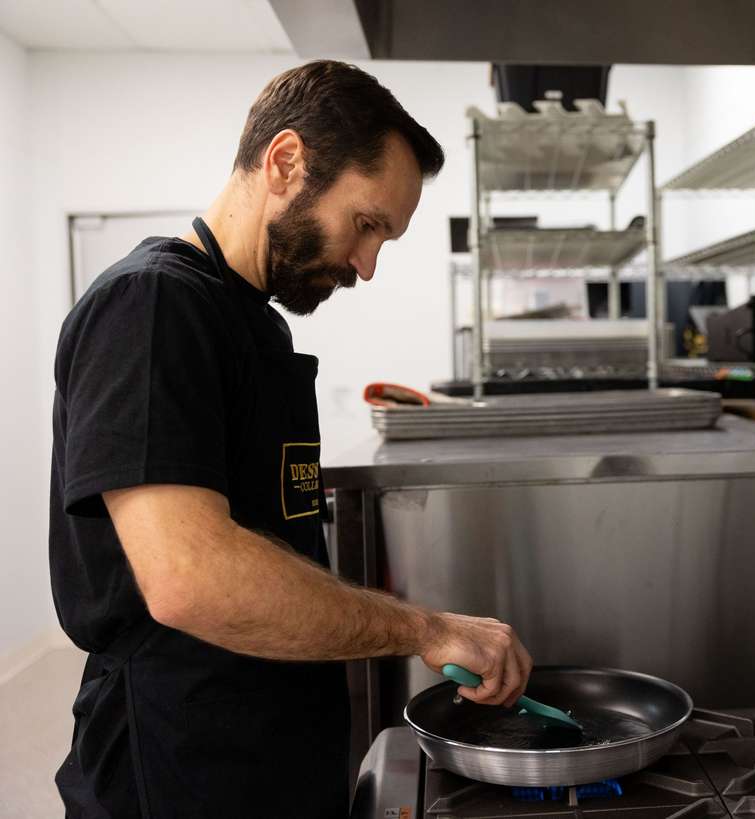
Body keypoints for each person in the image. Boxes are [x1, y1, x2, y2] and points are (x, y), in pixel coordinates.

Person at [48, 60, 532, 817]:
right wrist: (422, 627)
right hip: (180, 762)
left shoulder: (258, 324)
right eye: (367, 223)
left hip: (270, 746)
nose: (367, 266)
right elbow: (189, 577)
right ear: (285, 162)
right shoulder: (151, 307)